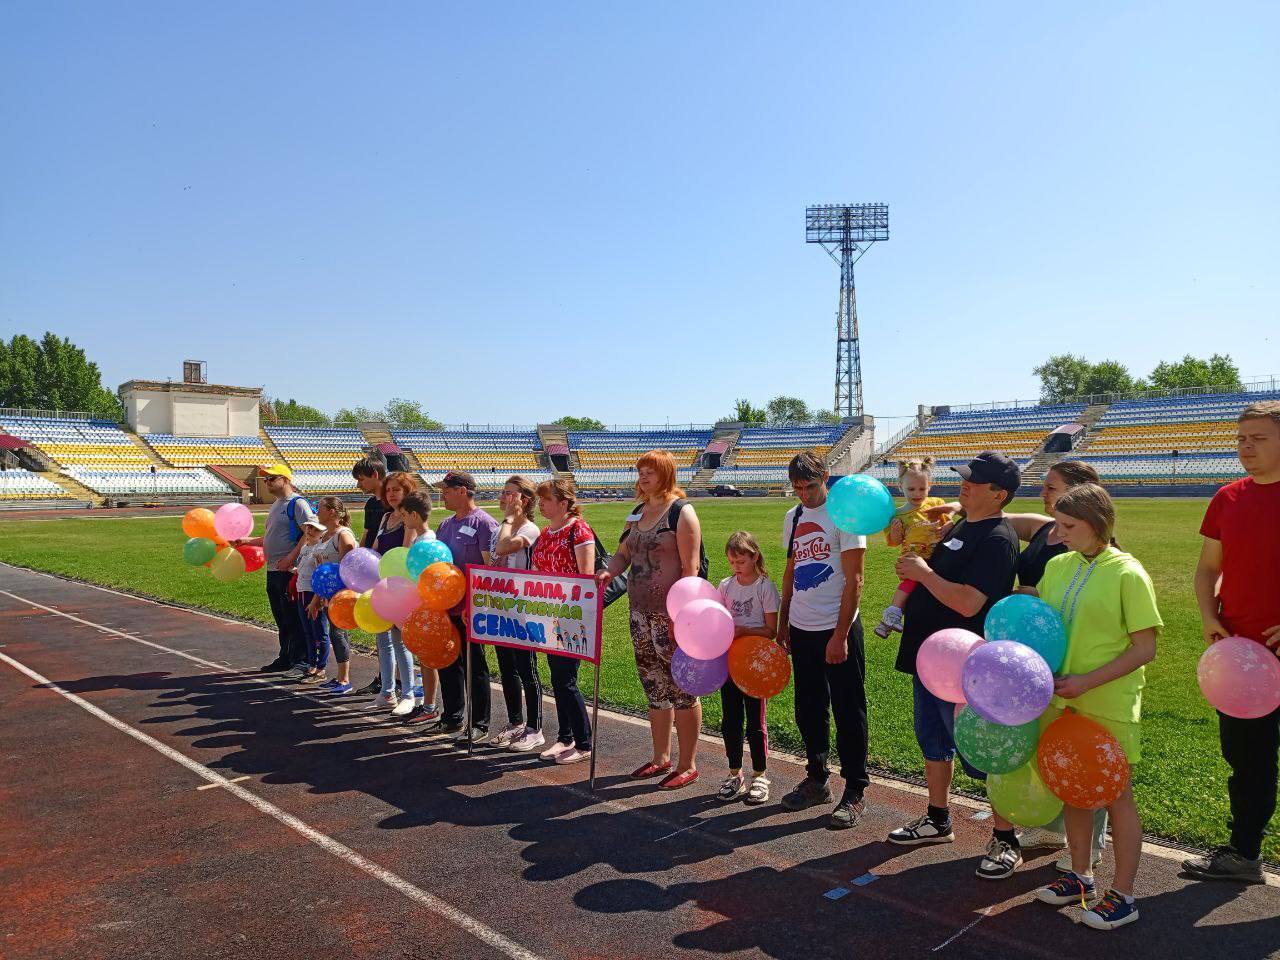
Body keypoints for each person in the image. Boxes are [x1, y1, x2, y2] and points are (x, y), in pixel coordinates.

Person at [888, 451, 1024, 879]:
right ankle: (938, 818)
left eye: (974, 482)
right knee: (932, 738)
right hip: (933, 657)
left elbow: (968, 602)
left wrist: (923, 573)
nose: (964, 485)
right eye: (965, 478)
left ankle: (1006, 838)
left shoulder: (997, 539)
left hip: (967, 664)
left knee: (983, 750)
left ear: (999, 494)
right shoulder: (964, 523)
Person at [1030, 482, 1160, 930]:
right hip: (1061, 702)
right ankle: (1080, 875)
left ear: (1098, 524)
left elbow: (1144, 648)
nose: (1059, 534)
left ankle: (1123, 895)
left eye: (1069, 526)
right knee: (1073, 787)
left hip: (1108, 704)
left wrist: (1086, 681)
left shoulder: (1128, 573)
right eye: (1058, 525)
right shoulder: (1058, 566)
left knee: (1115, 795)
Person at [1184, 400, 1280, 885]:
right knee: (1247, 761)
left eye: (1258, 438)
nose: (1246, 447)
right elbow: (1207, 570)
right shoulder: (1228, 498)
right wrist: (1209, 616)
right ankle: (1244, 854)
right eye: (1241, 439)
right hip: (1242, 658)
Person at [598, 450, 705, 790]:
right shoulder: (636, 512)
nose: (643, 477)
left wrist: (679, 617)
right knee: (654, 686)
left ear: (666, 474)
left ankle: (688, 764)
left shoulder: (681, 513)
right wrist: (607, 572)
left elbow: (690, 569)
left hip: (670, 617)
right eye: (640, 471)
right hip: (639, 614)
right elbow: (623, 554)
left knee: (682, 688)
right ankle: (661, 757)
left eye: (650, 471)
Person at [776, 452, 870, 828]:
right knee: (809, 708)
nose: (805, 494)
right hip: (802, 626)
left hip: (837, 626)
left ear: (827, 477)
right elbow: (790, 569)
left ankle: (855, 789)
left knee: (849, 710)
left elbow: (855, 579)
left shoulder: (845, 515)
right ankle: (817, 779)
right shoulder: (793, 516)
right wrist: (783, 621)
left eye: (811, 486)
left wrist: (841, 634)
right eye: (797, 488)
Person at [531, 477, 597, 764]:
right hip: (547, 614)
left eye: (546, 499)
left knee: (565, 679)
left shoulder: (579, 530)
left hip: (571, 617)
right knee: (557, 678)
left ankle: (583, 742)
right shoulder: (546, 532)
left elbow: (586, 577)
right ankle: (565, 736)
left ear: (564, 502)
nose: (541, 504)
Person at [434, 470, 500, 742]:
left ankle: (479, 723)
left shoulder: (485, 524)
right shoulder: (444, 525)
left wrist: (475, 605)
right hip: (445, 606)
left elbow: (489, 569)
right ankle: (452, 716)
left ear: (463, 491)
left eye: (447, 490)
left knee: (475, 665)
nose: (442, 495)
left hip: (470, 609)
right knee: (447, 661)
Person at [716, 531, 779, 804]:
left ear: (754, 557)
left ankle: (760, 775)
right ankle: (735, 774)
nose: (736, 567)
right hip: (730, 663)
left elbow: (771, 630)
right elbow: (716, 620)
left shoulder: (765, 587)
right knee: (730, 720)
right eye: (732, 562)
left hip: (755, 665)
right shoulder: (725, 586)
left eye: (741, 561)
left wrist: (743, 630)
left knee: (755, 722)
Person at [239, 464, 314, 673]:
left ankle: (301, 660)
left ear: (286, 479)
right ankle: (286, 657)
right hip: (273, 570)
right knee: (281, 617)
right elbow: (271, 537)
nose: (267, 482)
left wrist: (291, 558)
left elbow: (310, 534)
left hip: (289, 572)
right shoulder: (276, 505)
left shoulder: (298, 504)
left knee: (293, 617)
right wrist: (245, 541)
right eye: (266, 479)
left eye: (272, 478)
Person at [490, 476, 545, 753]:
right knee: (507, 667)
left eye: (509, 493)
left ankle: (535, 729)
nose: (503, 497)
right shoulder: (501, 528)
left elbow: (503, 548)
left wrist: (510, 520)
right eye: (502, 492)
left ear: (524, 499)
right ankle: (515, 722)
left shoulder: (529, 529)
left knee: (526, 668)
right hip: (500, 607)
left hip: (523, 609)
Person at [874, 457, 947, 638]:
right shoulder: (897, 514)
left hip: (937, 559)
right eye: (911, 489)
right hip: (912, 561)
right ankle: (892, 614)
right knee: (909, 585)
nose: (917, 493)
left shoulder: (937, 504)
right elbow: (894, 542)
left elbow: (949, 524)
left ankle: (886, 624)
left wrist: (946, 528)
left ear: (929, 486)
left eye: (922, 488)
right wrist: (896, 531)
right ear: (901, 487)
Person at [372, 471, 419, 717]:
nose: (391, 494)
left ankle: (408, 694)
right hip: (382, 585)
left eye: (396, 490)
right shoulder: (385, 517)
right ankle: (387, 691)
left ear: (407, 492)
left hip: (401, 586)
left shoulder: (410, 518)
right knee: (383, 640)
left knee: (401, 642)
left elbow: (405, 552)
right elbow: (374, 550)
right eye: (388, 490)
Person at [308, 496, 358, 694]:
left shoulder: (343, 535)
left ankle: (345, 680)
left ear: (332, 512)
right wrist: (318, 596)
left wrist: (339, 593)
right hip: (329, 595)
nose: (316, 512)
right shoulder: (324, 536)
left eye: (320, 508)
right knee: (334, 634)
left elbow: (348, 567)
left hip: (342, 595)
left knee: (338, 634)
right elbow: (322, 571)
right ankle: (339, 677)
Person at [399, 493, 440, 724]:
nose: (403, 519)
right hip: (419, 605)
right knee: (423, 658)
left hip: (427, 607)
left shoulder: (427, 542)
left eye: (405, 515)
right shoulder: (420, 540)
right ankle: (427, 704)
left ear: (414, 515)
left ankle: (431, 706)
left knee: (427, 658)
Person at [352, 458, 390, 695]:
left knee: (394, 630)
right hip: (372, 568)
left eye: (361, 479)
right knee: (380, 627)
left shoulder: (392, 501)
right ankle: (384, 677)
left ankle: (398, 680)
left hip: (391, 568)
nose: (359, 485)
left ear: (375, 474)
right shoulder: (370, 504)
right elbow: (367, 534)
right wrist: (357, 561)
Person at [292, 518, 331, 682]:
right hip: (302, 591)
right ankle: (312, 664)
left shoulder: (321, 549)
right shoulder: (305, 548)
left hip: (313, 593)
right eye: (308, 527)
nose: (309, 531)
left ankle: (321, 668)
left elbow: (321, 573)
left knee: (319, 631)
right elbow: (303, 568)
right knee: (308, 631)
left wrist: (319, 597)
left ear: (322, 532)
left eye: (314, 529)